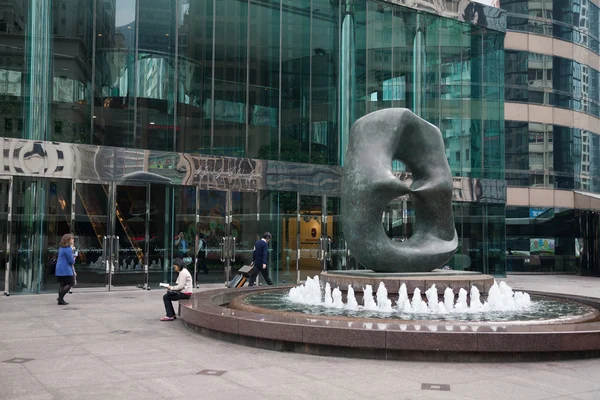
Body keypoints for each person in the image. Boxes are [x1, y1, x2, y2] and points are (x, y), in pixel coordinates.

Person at [55, 233, 76, 305]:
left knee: (62, 284)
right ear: (68, 240)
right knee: (71, 282)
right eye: (72, 239)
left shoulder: (61, 248)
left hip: (59, 268)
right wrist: (74, 257)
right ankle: (60, 298)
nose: (73, 240)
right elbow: (71, 261)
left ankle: (60, 299)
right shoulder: (67, 249)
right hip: (65, 269)